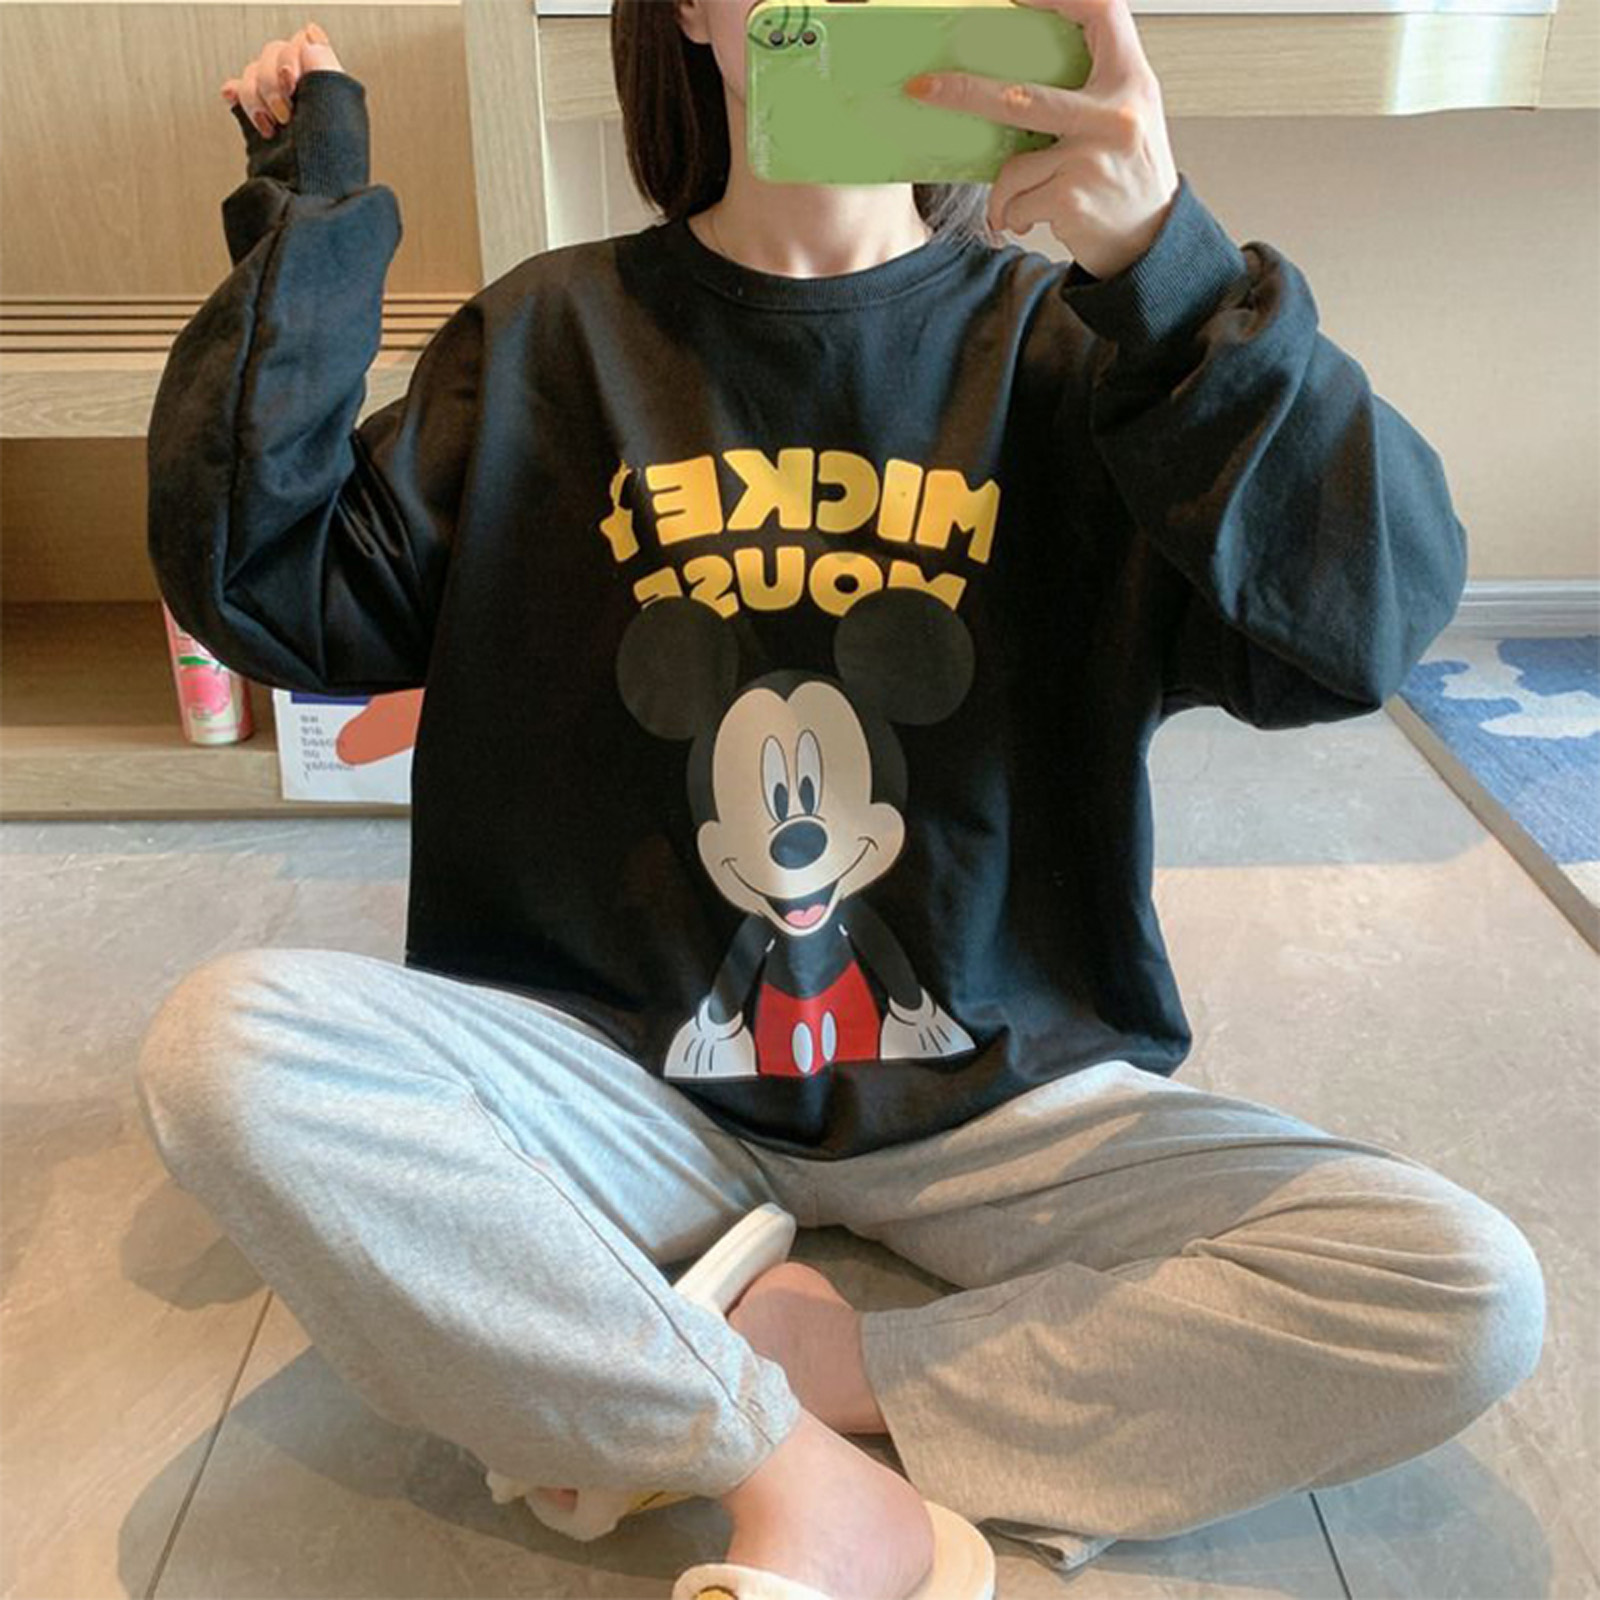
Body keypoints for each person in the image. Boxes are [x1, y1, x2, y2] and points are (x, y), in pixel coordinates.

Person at [134, 4, 1547, 1597]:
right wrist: (308, 211)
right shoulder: (548, 335)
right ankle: (789, 1475)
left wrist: (1173, 274)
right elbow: (271, 590)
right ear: (688, 10)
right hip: (621, 1086)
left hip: (999, 1096)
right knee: (226, 1049)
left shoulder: (1090, 352)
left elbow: (1367, 622)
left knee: (1456, 1288)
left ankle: (771, 1376)